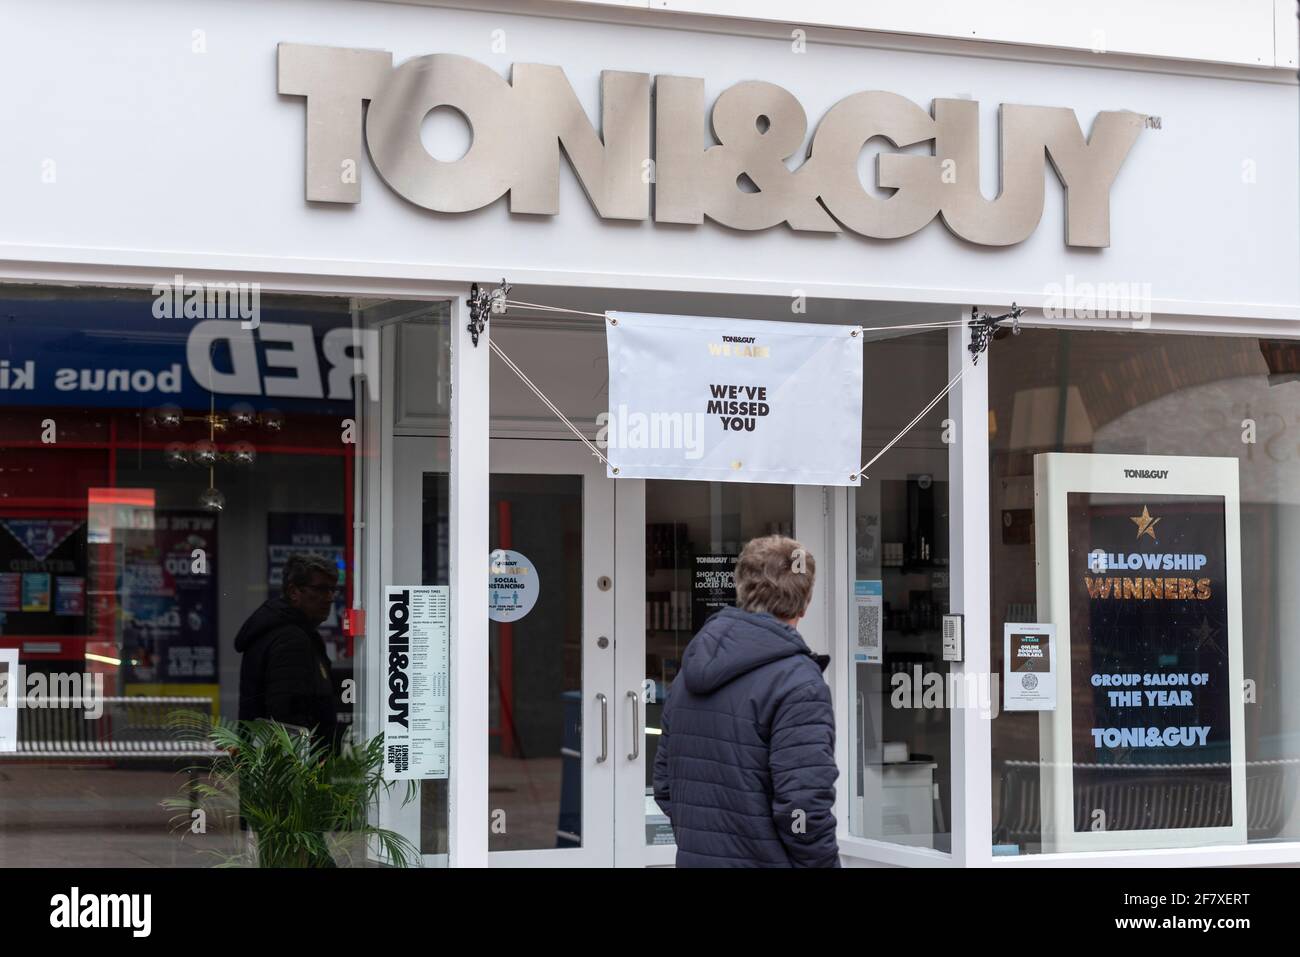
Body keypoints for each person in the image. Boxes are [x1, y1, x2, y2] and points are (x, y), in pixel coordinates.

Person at [653, 534, 839, 867]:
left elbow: (666, 786)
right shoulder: (799, 683)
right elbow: (803, 809)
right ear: (805, 602)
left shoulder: (688, 673)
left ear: (741, 589)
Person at [236, 553, 341, 752]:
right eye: (320, 589)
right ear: (294, 592)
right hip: (290, 773)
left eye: (332, 589)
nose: (330, 597)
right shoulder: (291, 639)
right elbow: (288, 717)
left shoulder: (286, 632)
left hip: (274, 770)